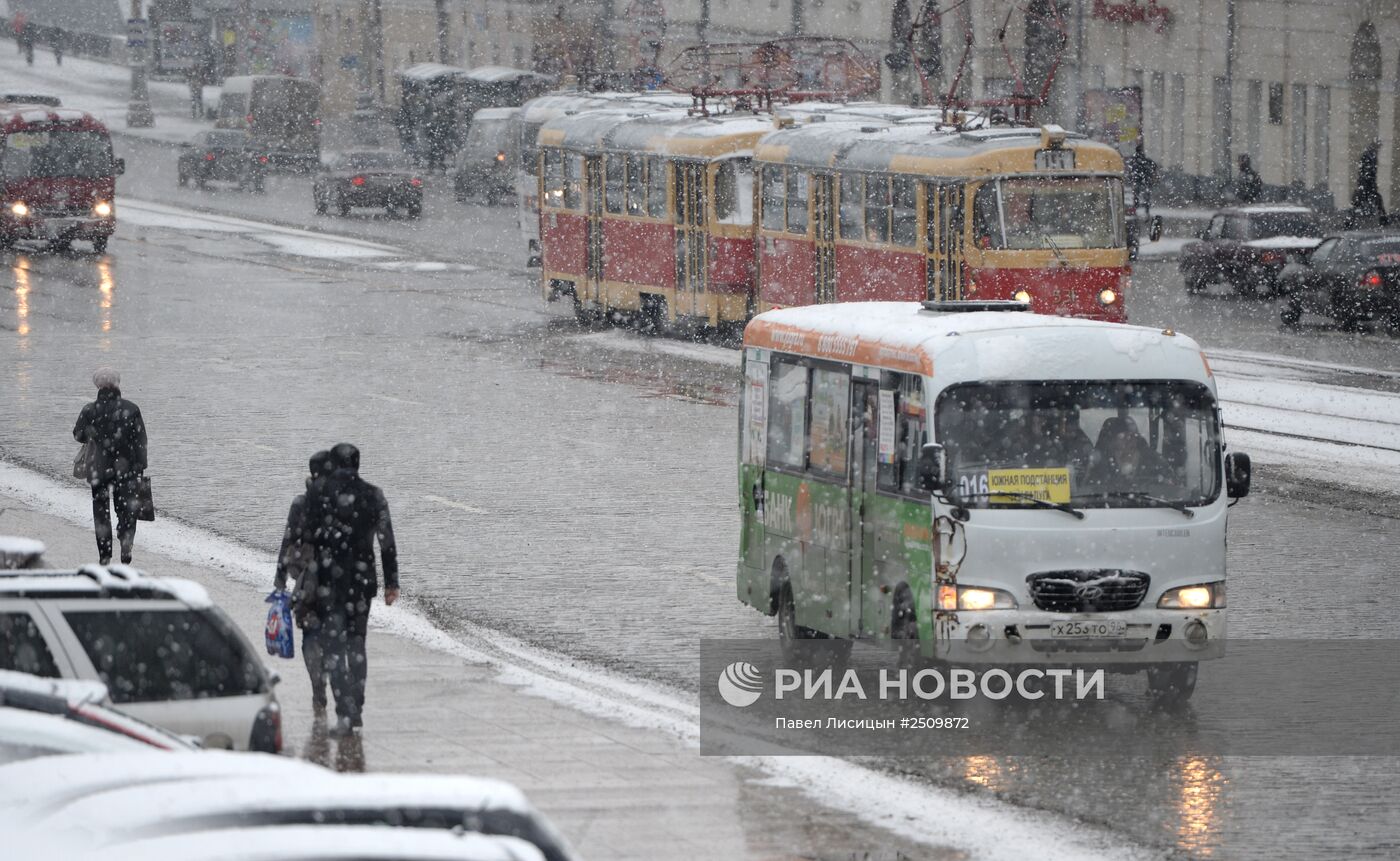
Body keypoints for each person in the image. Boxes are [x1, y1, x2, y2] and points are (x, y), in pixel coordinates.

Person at [306, 443, 399, 736]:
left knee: (334, 649)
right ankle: (356, 706)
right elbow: (386, 541)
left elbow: (307, 536)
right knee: (357, 645)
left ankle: (344, 712)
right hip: (362, 584)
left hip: (328, 584)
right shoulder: (373, 495)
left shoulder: (320, 494)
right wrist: (391, 582)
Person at [274, 450, 337, 718]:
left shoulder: (301, 503)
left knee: (311, 635)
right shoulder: (342, 502)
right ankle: (328, 684)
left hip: (305, 584)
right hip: (336, 583)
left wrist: (279, 578)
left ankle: (317, 684)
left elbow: (288, 539)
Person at [72, 368, 147, 565]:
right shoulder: (131, 409)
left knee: (101, 511)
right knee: (127, 509)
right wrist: (140, 466)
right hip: (127, 468)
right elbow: (141, 440)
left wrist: (92, 432)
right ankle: (126, 544)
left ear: (97, 386)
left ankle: (105, 554)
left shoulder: (89, 410)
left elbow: (78, 434)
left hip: (99, 468)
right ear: (118, 384)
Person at [1087, 416, 1173, 494]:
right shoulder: (1099, 464)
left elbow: (1173, 487)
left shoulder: (1153, 460)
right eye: (1122, 436)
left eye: (1132, 436)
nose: (1129, 440)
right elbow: (1089, 492)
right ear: (1110, 442)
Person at [1352, 141, 1388, 228]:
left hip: (1367, 186)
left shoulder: (1371, 155)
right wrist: (1368, 185)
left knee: (1373, 202)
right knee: (1376, 201)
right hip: (1366, 186)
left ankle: (1383, 221)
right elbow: (1367, 173)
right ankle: (1383, 222)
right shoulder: (1369, 156)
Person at [1125, 142, 1159, 218]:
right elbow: (1153, 167)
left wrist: (1131, 179)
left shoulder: (1134, 160)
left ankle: (1136, 209)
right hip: (1145, 180)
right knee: (1146, 197)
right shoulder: (1146, 160)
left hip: (1138, 180)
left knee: (1136, 196)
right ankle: (1146, 211)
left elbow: (1131, 171)